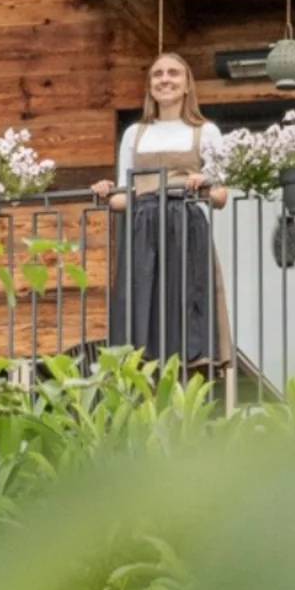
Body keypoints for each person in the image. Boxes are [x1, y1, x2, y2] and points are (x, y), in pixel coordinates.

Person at [90, 52, 227, 366]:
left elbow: (220, 196)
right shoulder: (134, 134)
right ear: (150, 86)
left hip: (186, 227)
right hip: (143, 230)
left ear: (187, 85)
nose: (165, 79)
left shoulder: (205, 132)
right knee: (142, 306)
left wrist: (203, 184)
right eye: (158, 74)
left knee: (186, 300)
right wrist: (105, 193)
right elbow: (125, 198)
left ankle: (191, 374)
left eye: (173, 74)